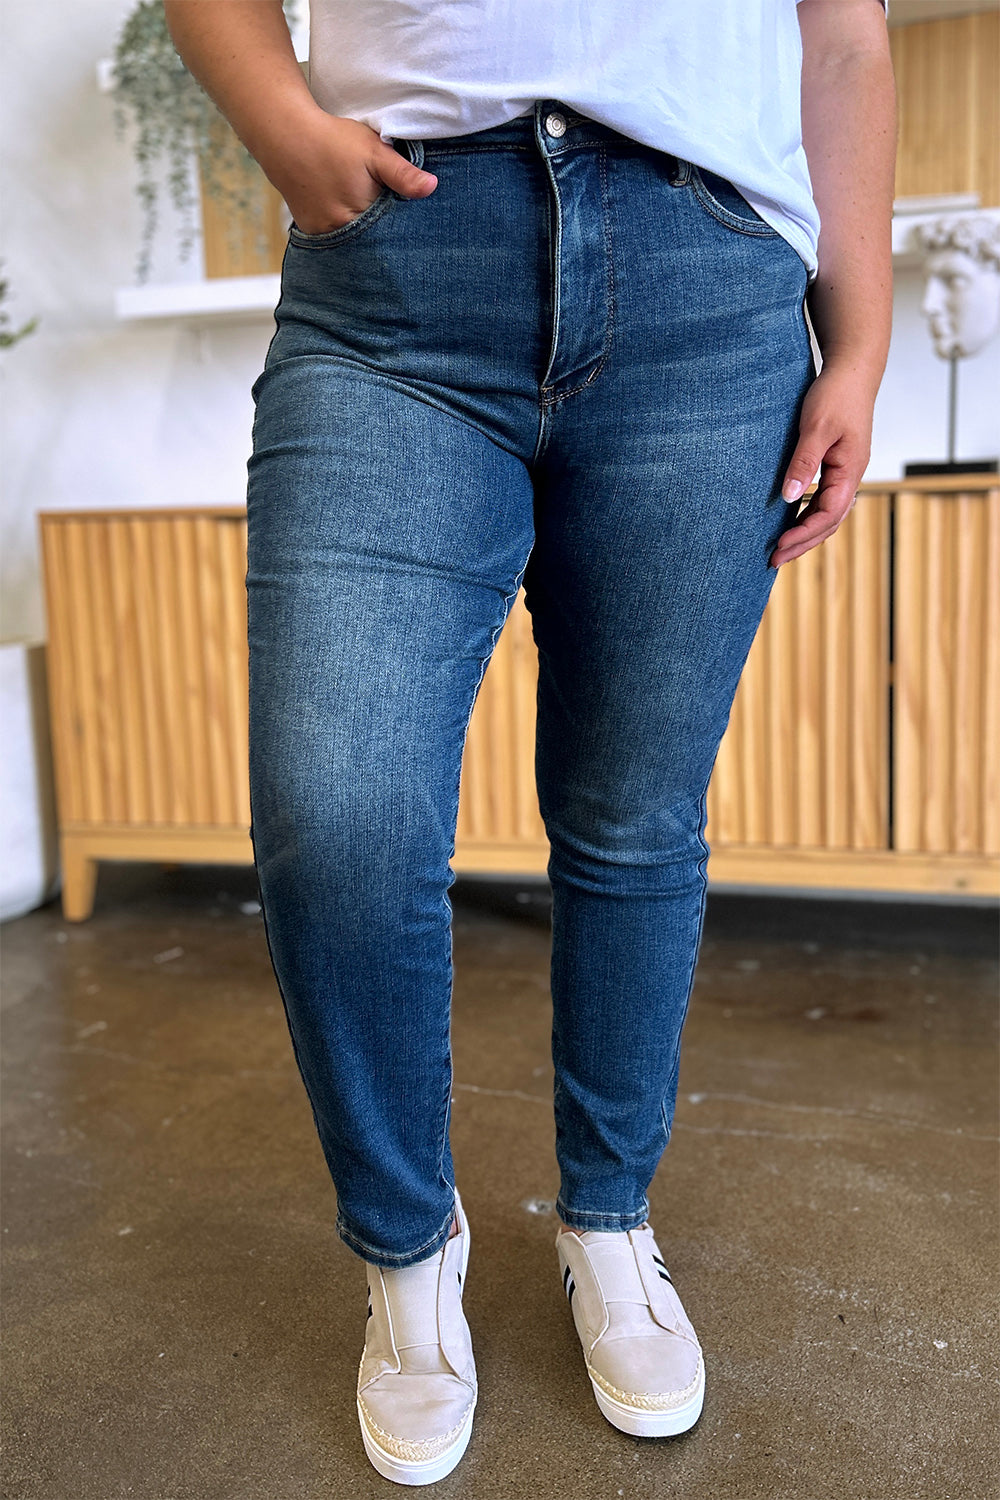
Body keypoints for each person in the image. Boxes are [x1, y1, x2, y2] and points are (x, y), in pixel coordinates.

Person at [164, 0, 896, 1484]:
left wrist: (861, 339)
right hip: (400, 279)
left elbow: (846, 40)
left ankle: (607, 1220)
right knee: (339, 811)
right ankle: (404, 1248)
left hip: (712, 291)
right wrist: (284, 126)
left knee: (635, 817)